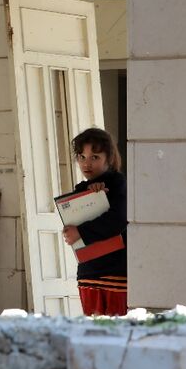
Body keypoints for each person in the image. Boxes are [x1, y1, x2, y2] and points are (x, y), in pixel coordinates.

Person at [62, 127, 127, 316]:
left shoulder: (118, 184)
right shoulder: (80, 190)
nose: (86, 163)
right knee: (92, 334)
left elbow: (118, 219)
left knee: (116, 334)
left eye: (95, 157)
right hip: (88, 273)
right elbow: (72, 225)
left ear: (109, 158)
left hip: (116, 273)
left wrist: (80, 232)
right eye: (81, 157)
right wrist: (69, 232)